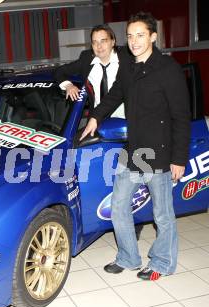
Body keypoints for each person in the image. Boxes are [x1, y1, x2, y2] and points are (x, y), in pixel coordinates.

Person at [81, 12, 191, 280]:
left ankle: (162, 262)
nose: (134, 41)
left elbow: (181, 117)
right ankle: (129, 257)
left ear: (153, 36)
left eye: (140, 35)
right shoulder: (128, 67)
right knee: (118, 206)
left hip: (160, 152)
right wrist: (95, 116)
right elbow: (114, 95)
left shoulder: (168, 69)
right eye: (130, 36)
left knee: (162, 214)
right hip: (133, 152)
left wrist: (179, 158)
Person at [53, 24, 131, 118]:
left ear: (113, 42)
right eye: (95, 42)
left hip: (125, 122)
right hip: (97, 121)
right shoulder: (86, 59)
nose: (99, 46)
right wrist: (68, 85)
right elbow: (59, 71)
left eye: (103, 41)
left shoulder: (127, 57)